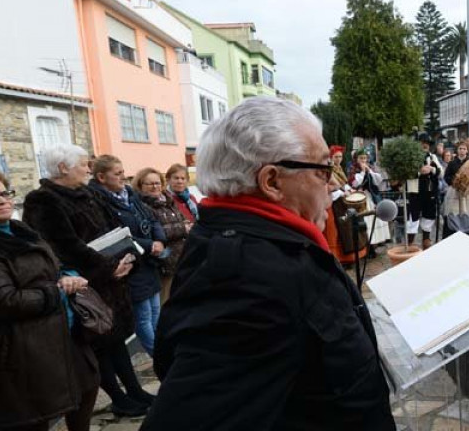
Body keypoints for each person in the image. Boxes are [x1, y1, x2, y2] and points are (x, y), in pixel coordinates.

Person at [142, 96, 394, 430]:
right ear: (272, 181)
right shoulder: (251, 280)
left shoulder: (245, 242)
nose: (332, 185)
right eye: (322, 170)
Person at [22, 145, 151, 418]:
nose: (88, 168)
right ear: (63, 168)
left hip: (110, 280)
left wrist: (124, 259)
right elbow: (65, 247)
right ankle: (118, 398)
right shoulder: (42, 200)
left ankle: (134, 390)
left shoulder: (88, 194)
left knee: (116, 340)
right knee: (98, 344)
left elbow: (112, 229)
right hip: (85, 285)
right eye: (83, 163)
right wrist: (107, 268)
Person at [0, 173, 100, 431]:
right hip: (26, 345)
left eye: (4, 193)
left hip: (64, 330)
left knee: (88, 386)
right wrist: (56, 291)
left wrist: (69, 276)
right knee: (38, 414)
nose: (1, 201)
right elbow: (7, 301)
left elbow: (53, 266)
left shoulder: (22, 231)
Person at [89, 155, 166, 357]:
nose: (123, 177)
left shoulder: (130, 194)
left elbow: (152, 219)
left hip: (149, 264)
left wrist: (159, 240)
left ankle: (164, 353)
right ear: (101, 177)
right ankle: (161, 358)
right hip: (132, 266)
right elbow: (115, 235)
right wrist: (150, 245)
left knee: (156, 314)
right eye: (118, 173)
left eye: (123, 172)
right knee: (143, 319)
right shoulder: (99, 201)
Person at [134, 168, 190, 305]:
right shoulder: (142, 206)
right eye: (150, 184)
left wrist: (184, 225)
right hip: (162, 263)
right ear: (140, 186)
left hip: (179, 259)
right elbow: (155, 232)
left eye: (158, 183)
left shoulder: (168, 201)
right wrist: (182, 228)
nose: (155, 187)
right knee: (164, 302)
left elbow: (182, 220)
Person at [405, 134, 443, 250]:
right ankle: (410, 245)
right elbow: (405, 173)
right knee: (413, 217)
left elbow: (441, 173)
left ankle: (426, 242)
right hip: (415, 192)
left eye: (427, 143)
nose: (425, 144)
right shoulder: (410, 157)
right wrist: (419, 172)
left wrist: (431, 169)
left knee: (429, 216)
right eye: (422, 142)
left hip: (429, 192)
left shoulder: (432, 157)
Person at [350, 149, 391, 247]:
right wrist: (363, 171)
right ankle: (370, 243)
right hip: (361, 196)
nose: (363, 160)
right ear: (356, 159)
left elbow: (378, 180)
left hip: (372, 195)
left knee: (376, 217)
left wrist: (369, 171)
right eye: (361, 158)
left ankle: (378, 241)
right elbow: (355, 183)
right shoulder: (353, 168)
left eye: (365, 158)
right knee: (368, 218)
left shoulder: (369, 167)